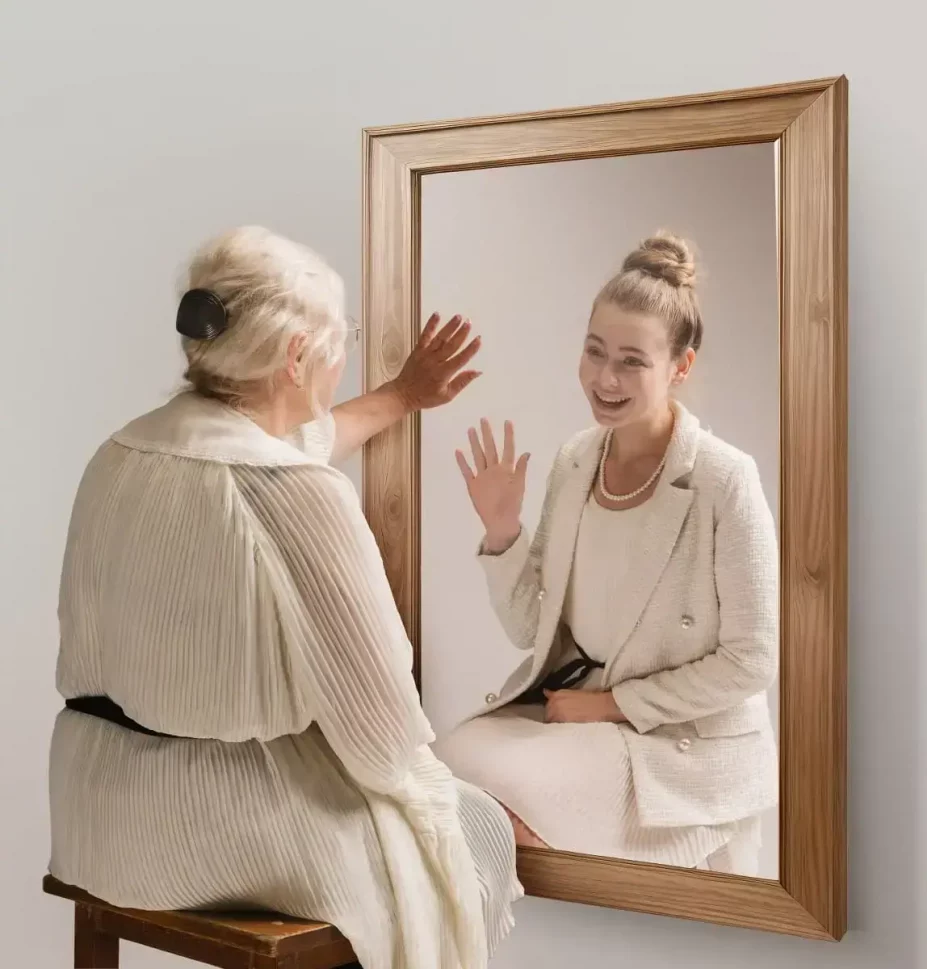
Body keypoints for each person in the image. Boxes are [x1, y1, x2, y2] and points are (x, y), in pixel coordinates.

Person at [48, 226, 522, 969]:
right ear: (298, 357)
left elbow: (277, 455)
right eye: (342, 341)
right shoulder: (299, 493)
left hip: (96, 807)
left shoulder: (122, 452)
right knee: (475, 829)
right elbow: (382, 731)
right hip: (213, 830)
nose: (344, 358)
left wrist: (401, 395)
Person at [437, 231, 779, 875]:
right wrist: (503, 531)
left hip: (676, 735)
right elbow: (529, 632)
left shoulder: (723, 478)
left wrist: (611, 706)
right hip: (580, 714)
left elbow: (752, 660)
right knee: (443, 762)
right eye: (594, 352)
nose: (604, 378)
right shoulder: (576, 458)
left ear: (681, 367)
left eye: (631, 361)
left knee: (495, 790)